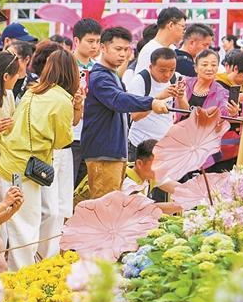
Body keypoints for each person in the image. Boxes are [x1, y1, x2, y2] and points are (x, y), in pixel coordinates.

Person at [0, 50, 77, 270]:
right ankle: (21, 276)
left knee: (11, 223)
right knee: (25, 226)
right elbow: (62, 140)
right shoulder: (62, 100)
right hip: (25, 168)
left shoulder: (33, 91)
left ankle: (11, 272)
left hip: (7, 160)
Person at [82, 27, 170, 199]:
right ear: (103, 47)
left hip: (113, 153)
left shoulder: (112, 75)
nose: (123, 54)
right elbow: (118, 99)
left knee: (111, 204)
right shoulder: (100, 77)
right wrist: (151, 102)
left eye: (126, 49)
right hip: (103, 154)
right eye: (118, 49)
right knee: (105, 206)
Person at [182, 49, 240, 172]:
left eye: (213, 65)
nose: (209, 68)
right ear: (196, 68)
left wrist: (233, 113)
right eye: (204, 64)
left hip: (204, 149)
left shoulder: (222, 93)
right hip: (180, 145)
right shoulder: (185, 84)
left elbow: (225, 113)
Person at [128, 47, 187, 156]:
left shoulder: (176, 78)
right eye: (162, 70)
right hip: (140, 145)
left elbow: (184, 111)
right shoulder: (140, 81)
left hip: (165, 145)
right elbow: (135, 116)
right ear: (151, 67)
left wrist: (181, 97)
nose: (167, 74)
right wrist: (158, 98)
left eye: (172, 70)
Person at [71, 18, 102, 185]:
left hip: (92, 135)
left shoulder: (98, 67)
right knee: (69, 183)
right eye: (90, 41)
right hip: (71, 135)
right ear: (76, 41)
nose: (95, 46)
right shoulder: (66, 65)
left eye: (97, 41)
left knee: (87, 186)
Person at [133, 7, 186, 75]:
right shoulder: (149, 50)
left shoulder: (172, 48)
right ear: (171, 25)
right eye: (183, 27)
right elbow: (141, 80)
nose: (184, 31)